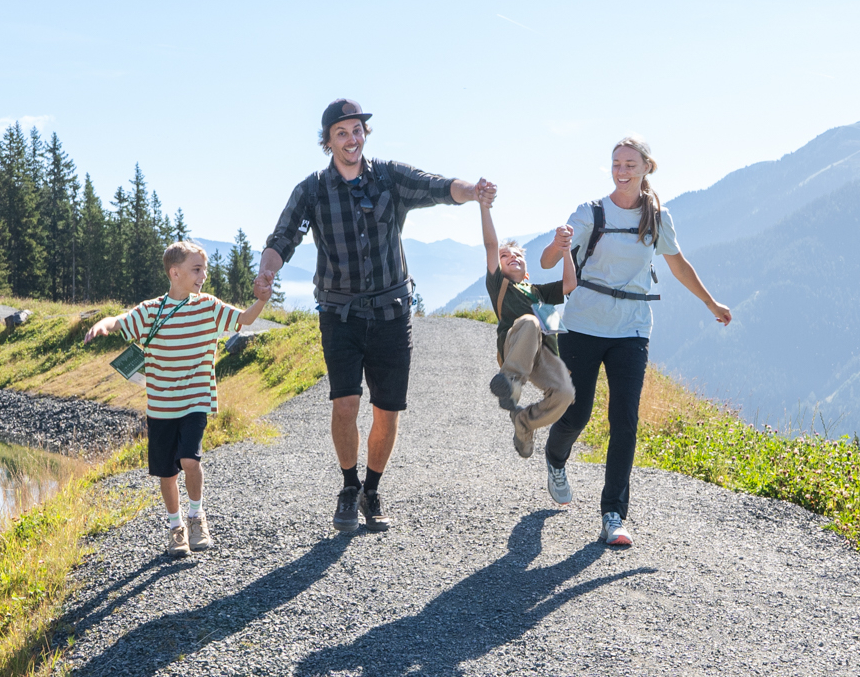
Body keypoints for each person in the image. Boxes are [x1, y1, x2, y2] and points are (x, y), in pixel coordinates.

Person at [257, 98, 489, 533]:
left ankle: (372, 489)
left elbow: (437, 187)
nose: (351, 138)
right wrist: (267, 270)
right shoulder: (311, 190)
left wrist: (471, 190)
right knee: (345, 404)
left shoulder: (388, 176)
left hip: (391, 313)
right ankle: (348, 486)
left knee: (387, 411)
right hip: (339, 314)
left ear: (365, 134)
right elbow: (283, 236)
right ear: (327, 142)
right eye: (341, 133)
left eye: (357, 130)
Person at [536, 136, 731, 548]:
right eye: (616, 164)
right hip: (584, 324)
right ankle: (556, 456)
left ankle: (613, 514)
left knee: (624, 421)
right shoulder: (590, 212)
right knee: (577, 414)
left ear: (646, 168)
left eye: (629, 164)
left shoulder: (657, 217)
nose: (621, 171)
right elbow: (548, 262)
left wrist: (711, 302)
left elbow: (678, 264)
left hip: (632, 330)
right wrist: (559, 243)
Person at [86, 240, 270, 557]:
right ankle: (176, 527)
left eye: (205, 269)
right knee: (168, 473)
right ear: (175, 273)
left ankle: (197, 517)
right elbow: (120, 321)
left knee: (190, 459)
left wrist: (262, 300)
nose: (203, 275)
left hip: (196, 399)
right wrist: (103, 324)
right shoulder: (150, 310)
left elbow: (245, 319)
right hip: (160, 406)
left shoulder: (208, 306)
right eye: (196, 269)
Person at [476, 182, 576, 458]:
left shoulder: (538, 292)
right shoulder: (499, 284)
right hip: (514, 344)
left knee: (565, 394)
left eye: (518, 255)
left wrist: (565, 251)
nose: (512, 258)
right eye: (505, 257)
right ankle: (511, 381)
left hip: (541, 352)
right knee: (531, 323)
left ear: (528, 271)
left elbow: (570, 283)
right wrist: (484, 207)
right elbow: (491, 244)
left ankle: (524, 423)